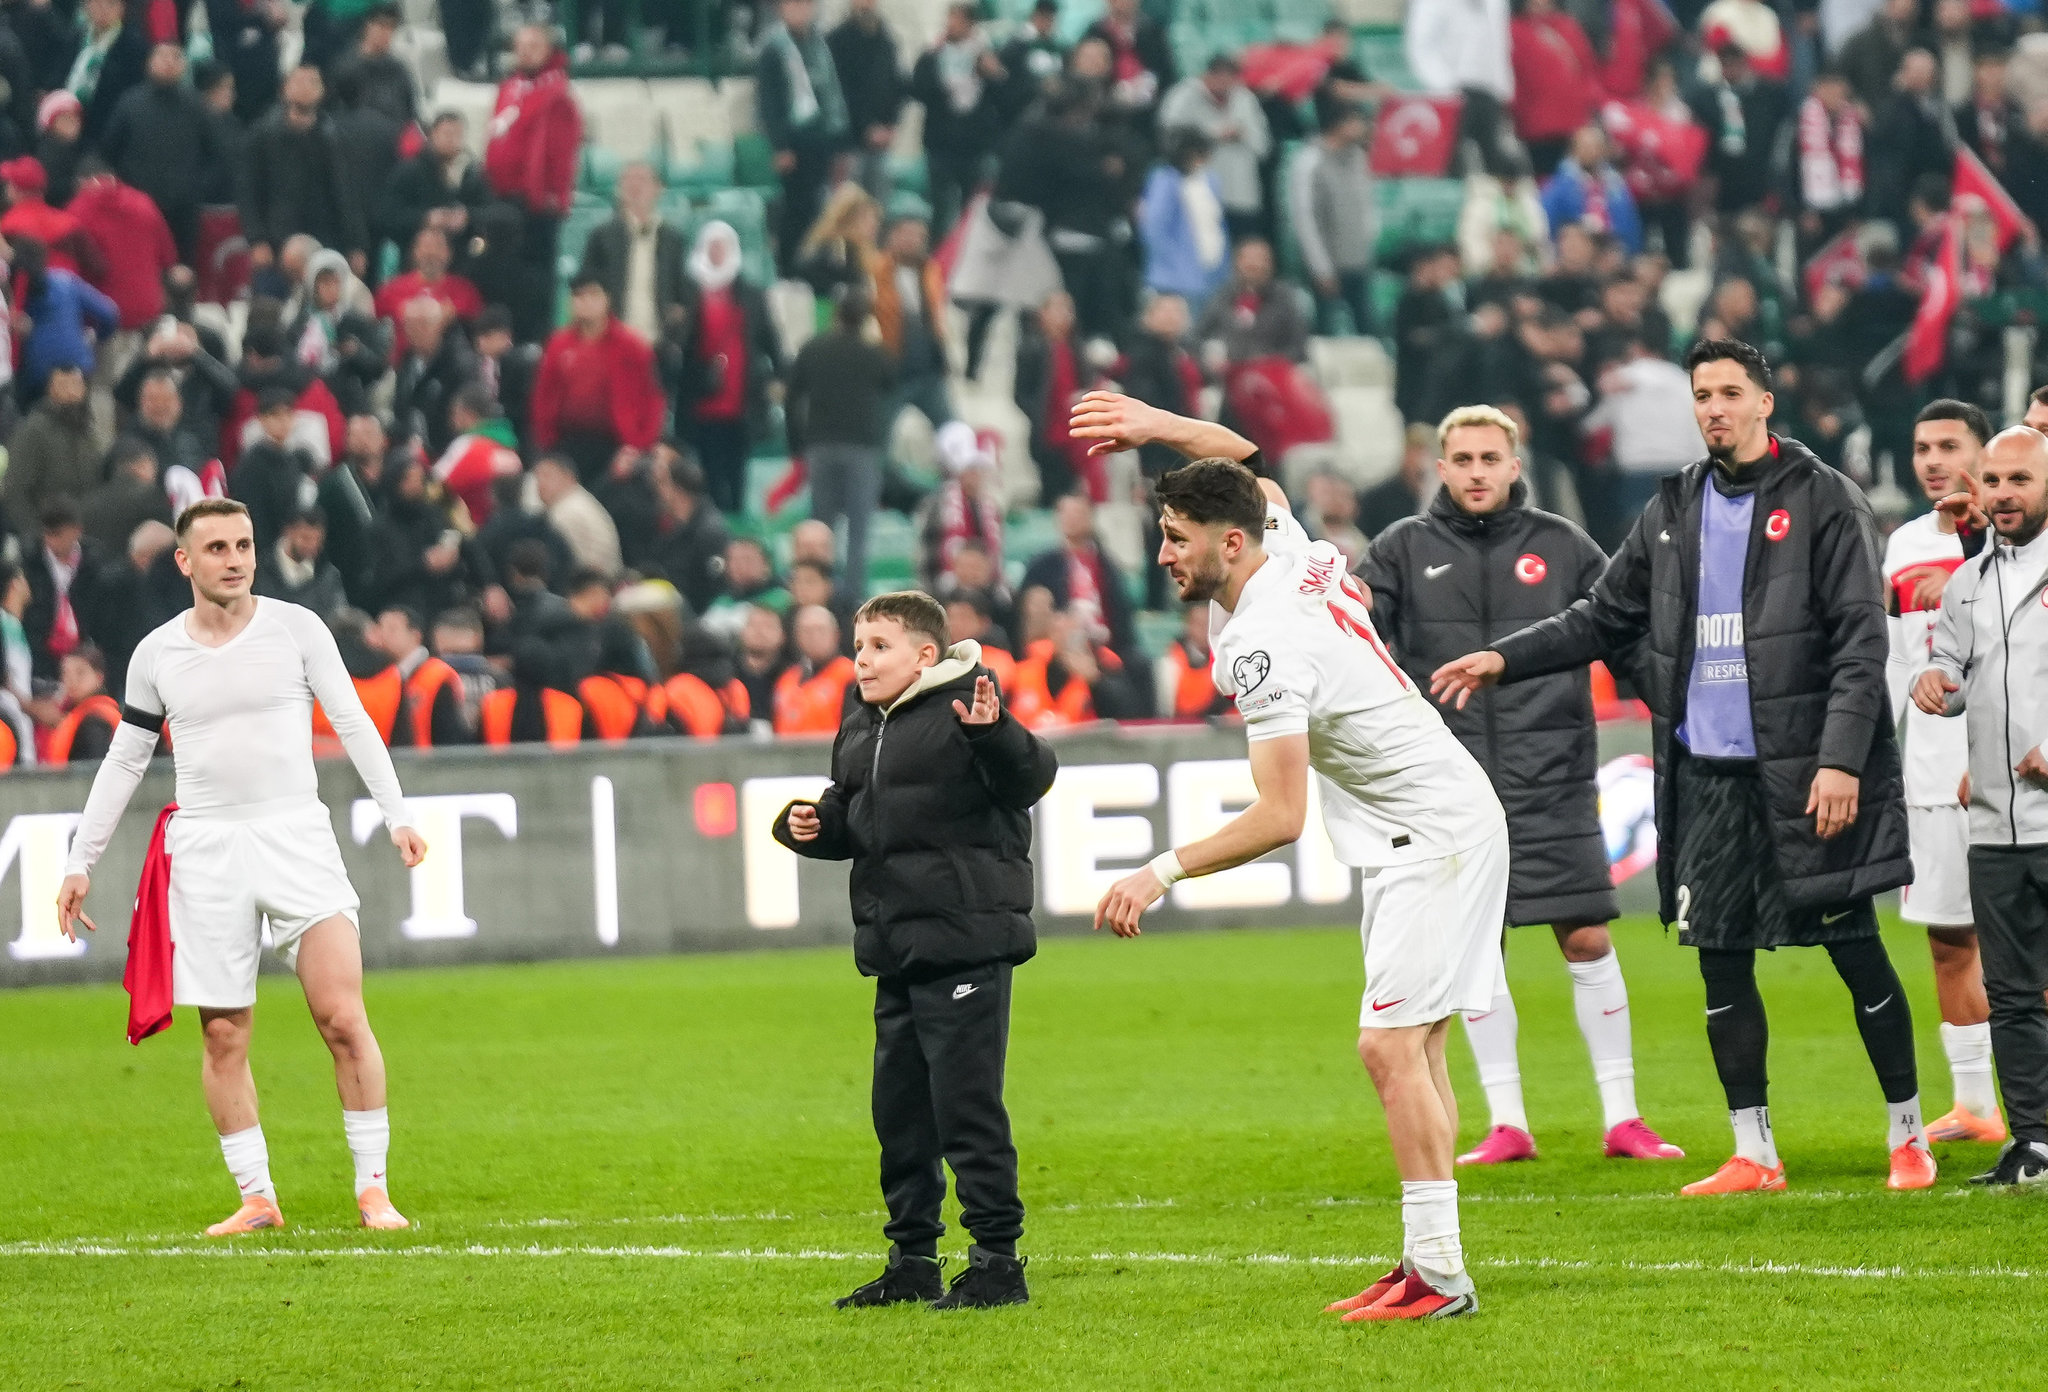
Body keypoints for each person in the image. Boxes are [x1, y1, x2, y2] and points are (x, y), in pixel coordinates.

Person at [1430, 339, 1931, 1196]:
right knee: (1721, 962)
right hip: (1705, 776)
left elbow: (1859, 639)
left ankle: (1908, 1135)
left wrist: (1841, 759)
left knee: (1854, 950)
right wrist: (1503, 658)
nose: (1714, 409)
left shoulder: (1823, 498)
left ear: (1764, 402)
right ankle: (1753, 1152)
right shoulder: (1674, 505)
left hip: (1803, 771)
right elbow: (1601, 616)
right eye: (1703, 395)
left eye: (1730, 393)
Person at [1079, 395, 1503, 1321]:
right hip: (1432, 820)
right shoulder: (1285, 546)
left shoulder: (1263, 644)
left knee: (1388, 1047)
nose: (1163, 554)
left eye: (1176, 537)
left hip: (1434, 831)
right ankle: (1426, 1260)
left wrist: (1159, 871)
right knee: (1417, 1047)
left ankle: (1441, 1277)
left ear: (1228, 545)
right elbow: (1245, 462)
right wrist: (1153, 423)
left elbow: (1280, 815)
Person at [56, 498, 427, 1235]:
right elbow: (126, 759)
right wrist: (79, 859)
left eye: (244, 545)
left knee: (342, 1017)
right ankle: (257, 1198)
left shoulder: (298, 628)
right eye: (218, 547)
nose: (235, 559)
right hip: (206, 851)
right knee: (223, 1036)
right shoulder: (157, 653)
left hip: (296, 838)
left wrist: (398, 814)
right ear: (185, 562)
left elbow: (352, 721)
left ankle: (374, 1192)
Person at [1360, 405, 1681, 1165]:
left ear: (1514, 465)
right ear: (1440, 468)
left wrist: (1683, 705)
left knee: (1587, 937)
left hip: (1554, 777)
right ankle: (1507, 1122)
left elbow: (1622, 636)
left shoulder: (1563, 546)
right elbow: (1361, 641)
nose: (1477, 473)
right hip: (1449, 788)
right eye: (1463, 460)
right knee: (1478, 955)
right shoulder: (1401, 550)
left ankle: (1623, 1117)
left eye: (1490, 459)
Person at [773, 590, 1056, 1310]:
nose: (861, 661)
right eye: (858, 647)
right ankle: (913, 1261)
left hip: (964, 940)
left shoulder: (971, 705)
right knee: (900, 1114)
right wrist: (817, 824)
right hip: (896, 943)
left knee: (965, 1108)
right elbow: (855, 811)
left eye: (879, 646)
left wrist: (996, 734)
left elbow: (1030, 777)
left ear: (925, 655)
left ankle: (997, 1263)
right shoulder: (863, 720)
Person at [1911, 427, 2048, 1187]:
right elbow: (1949, 664)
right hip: (1995, 826)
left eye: (2019, 479)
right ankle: (2034, 1144)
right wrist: (1932, 682)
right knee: (2013, 994)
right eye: (1992, 480)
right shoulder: (1967, 582)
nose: (2002, 494)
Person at [1887, 402, 2005, 1144]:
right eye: (1922, 447)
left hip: (2012, 774)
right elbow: (1894, 663)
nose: (1932, 460)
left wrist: (1963, 574)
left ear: (1983, 453)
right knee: (1949, 941)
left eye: (1949, 445)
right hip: (1930, 776)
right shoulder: (1901, 545)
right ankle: (1976, 1107)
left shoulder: (2019, 537)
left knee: (2029, 946)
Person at [788, 290, 894, 600]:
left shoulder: (814, 349)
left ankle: (816, 591)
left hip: (820, 445)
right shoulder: (873, 353)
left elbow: (793, 397)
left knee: (821, 527)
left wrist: (796, 445)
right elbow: (891, 383)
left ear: (836, 315)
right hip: (862, 448)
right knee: (859, 528)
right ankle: (852, 597)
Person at [485, 26, 582, 343]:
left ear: (549, 49)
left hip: (536, 203)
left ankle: (534, 342)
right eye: (520, 45)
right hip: (502, 200)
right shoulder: (510, 87)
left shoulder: (556, 93)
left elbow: (562, 154)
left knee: (534, 280)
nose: (525, 51)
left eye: (534, 45)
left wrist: (552, 197)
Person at [676, 221, 780, 517]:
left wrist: (779, 375)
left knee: (737, 469)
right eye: (712, 247)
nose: (717, 253)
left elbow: (770, 339)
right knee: (706, 468)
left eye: (722, 247)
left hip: (740, 398)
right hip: (702, 396)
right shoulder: (688, 293)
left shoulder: (751, 294)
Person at [531, 275, 667, 486]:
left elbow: (652, 398)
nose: (586, 302)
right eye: (579, 296)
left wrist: (638, 447)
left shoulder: (632, 346)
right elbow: (544, 396)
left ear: (607, 299)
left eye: (593, 295)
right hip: (566, 443)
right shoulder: (558, 345)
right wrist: (546, 443)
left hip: (617, 445)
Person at [99, 43, 222, 263]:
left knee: (182, 270)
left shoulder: (195, 106)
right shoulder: (130, 103)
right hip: (138, 209)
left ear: (183, 66)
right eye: (162, 56)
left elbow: (215, 155)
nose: (168, 62)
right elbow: (108, 152)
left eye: (175, 57)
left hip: (183, 212)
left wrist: (195, 190)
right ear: (149, 63)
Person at [240, 66, 367, 275]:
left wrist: (356, 244)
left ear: (323, 91)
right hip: (277, 241)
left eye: (313, 82)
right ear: (284, 89)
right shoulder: (262, 136)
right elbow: (248, 191)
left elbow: (348, 194)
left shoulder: (334, 137)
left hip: (327, 239)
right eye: (298, 81)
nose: (305, 88)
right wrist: (256, 239)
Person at [757, 0, 850, 265]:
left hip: (821, 138)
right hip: (793, 142)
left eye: (805, 4)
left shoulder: (821, 45)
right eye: (793, 4)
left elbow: (831, 92)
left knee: (821, 207)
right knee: (795, 208)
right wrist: (781, 146)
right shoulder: (773, 49)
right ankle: (789, 266)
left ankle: (815, 265)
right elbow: (769, 102)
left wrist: (839, 142)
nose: (799, 10)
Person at [909, 3, 1004, 238]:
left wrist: (994, 75)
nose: (951, 25)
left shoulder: (986, 55)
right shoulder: (934, 53)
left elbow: (1004, 97)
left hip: (975, 148)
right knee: (940, 210)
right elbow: (917, 90)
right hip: (940, 145)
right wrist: (931, 62)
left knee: (973, 211)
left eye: (958, 20)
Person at [576, 162, 688, 355]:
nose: (635, 186)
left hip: (660, 344)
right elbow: (587, 286)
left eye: (642, 180)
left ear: (658, 189)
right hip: (612, 343)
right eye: (628, 180)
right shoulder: (601, 236)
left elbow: (683, 293)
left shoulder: (673, 238)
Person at [1159, 56, 1270, 243]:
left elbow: (1264, 147)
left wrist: (1242, 135)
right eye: (1219, 77)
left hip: (1242, 196)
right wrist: (1213, 135)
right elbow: (1169, 140)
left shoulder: (1245, 99)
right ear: (1207, 75)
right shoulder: (1183, 97)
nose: (1224, 84)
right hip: (1198, 197)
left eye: (1230, 78)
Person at [1287, 103, 1375, 337]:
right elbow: (1305, 219)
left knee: (1368, 331)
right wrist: (1321, 268)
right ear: (1340, 124)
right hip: (1327, 266)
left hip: (1358, 261)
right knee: (1326, 334)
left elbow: (1366, 206)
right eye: (1357, 121)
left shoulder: (1358, 157)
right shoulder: (1309, 160)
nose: (1363, 127)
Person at [1138, 128, 1230, 309]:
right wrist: (1173, 266)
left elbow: (1217, 226)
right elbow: (1154, 229)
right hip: (1174, 280)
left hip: (1212, 274)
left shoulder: (1210, 181)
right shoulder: (1164, 181)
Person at [381, 111, 490, 257]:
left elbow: (488, 209)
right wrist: (426, 218)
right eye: (447, 134)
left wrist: (467, 216)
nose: (453, 140)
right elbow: (387, 214)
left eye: (458, 135)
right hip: (412, 253)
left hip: (457, 254)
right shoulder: (411, 171)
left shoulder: (470, 175)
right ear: (432, 135)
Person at [828, 0, 903, 201]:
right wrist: (867, 127)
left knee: (878, 204)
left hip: (881, 142)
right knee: (849, 204)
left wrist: (891, 124)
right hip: (848, 142)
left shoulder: (886, 40)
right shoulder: (837, 40)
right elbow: (840, 92)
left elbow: (895, 85)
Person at [772, 604, 857, 734]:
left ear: (836, 635)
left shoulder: (851, 675)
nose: (814, 636)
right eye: (806, 631)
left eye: (820, 630)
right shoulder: (785, 680)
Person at [255, 506, 348, 619]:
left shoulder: (328, 576)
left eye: (317, 540)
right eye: (305, 538)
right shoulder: (258, 570)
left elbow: (338, 617)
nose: (312, 545)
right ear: (288, 532)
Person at [49, 643, 120, 764]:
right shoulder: (80, 715)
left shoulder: (96, 721)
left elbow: (95, 766)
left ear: (99, 677)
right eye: (66, 674)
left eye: (80, 673)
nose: (72, 680)